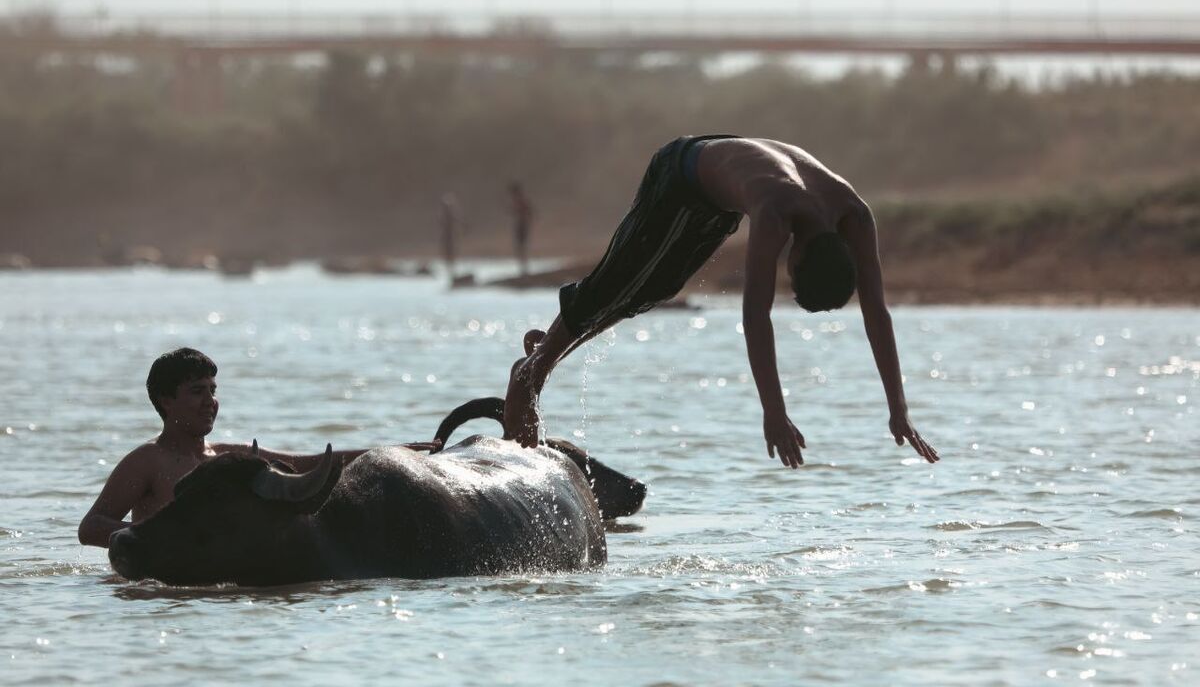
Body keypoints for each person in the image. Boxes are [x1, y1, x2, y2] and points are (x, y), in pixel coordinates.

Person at [503, 135, 938, 469]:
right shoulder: (775, 212)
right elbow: (756, 315)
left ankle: (549, 350)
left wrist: (898, 409)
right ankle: (531, 373)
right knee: (623, 280)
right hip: (682, 173)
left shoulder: (855, 214)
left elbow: (876, 312)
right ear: (799, 254)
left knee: (655, 289)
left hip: (720, 193)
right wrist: (774, 412)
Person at [78, 348, 435, 548]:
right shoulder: (147, 461)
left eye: (213, 391)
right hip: (164, 586)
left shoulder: (224, 457)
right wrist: (158, 540)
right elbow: (90, 526)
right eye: (197, 392)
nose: (210, 402)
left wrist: (392, 451)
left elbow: (306, 464)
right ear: (165, 401)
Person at [507, 181, 534, 276]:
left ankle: (524, 270)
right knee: (520, 247)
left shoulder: (521, 200)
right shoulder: (518, 200)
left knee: (521, 247)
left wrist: (526, 219)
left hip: (522, 226)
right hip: (520, 225)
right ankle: (523, 270)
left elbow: (530, 211)